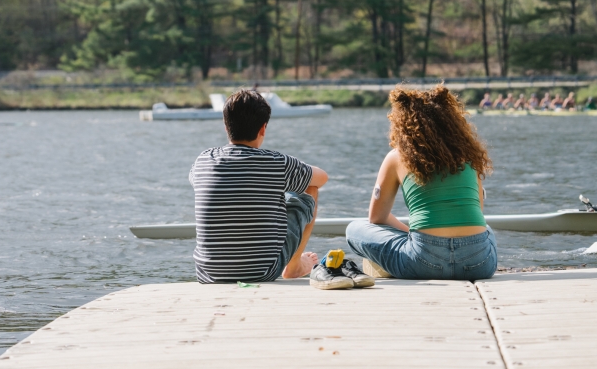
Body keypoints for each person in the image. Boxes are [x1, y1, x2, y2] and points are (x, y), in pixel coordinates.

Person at [346, 85, 497, 281]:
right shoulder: (469, 156)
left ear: (403, 124)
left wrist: (411, 233)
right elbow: (478, 211)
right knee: (486, 229)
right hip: (480, 264)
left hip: (423, 263)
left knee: (353, 229)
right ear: (451, 122)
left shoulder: (396, 157)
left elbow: (376, 217)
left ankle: (393, 260)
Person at [189, 89, 330, 285]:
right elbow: (322, 178)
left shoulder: (204, 160)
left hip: (209, 274)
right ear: (263, 128)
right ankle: (294, 265)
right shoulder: (277, 162)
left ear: (225, 126)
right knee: (309, 188)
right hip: (262, 272)